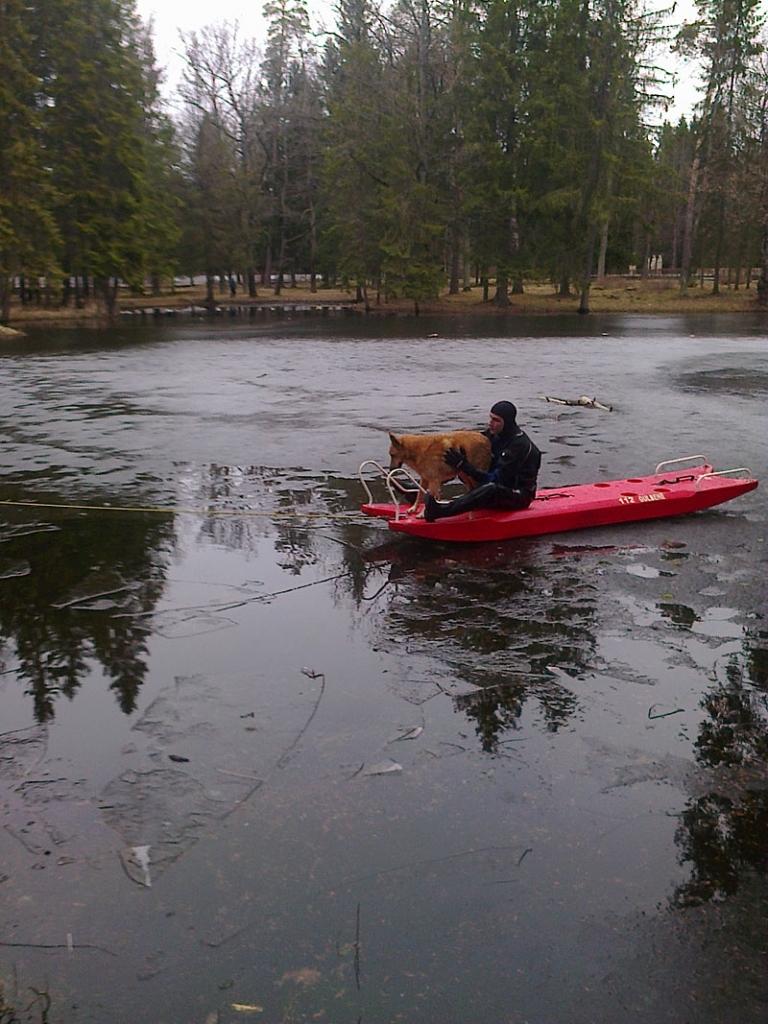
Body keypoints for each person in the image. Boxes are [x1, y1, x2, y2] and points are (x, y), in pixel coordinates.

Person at [423, 400, 541, 522]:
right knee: (458, 462)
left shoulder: (519, 446)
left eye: (496, 420)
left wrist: (465, 466)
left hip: (518, 495)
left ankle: (439, 511)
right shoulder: (492, 435)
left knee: (490, 488)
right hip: (493, 487)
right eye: (490, 418)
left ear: (508, 423)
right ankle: (425, 494)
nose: (490, 423)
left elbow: (496, 480)